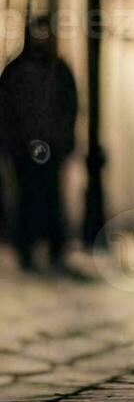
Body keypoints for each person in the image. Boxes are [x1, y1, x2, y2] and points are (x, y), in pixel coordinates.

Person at [0, 16, 78, 272]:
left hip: (49, 143)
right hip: (24, 144)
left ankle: (53, 246)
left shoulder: (58, 70)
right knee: (27, 197)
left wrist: (65, 136)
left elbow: (69, 108)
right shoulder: (18, 71)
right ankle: (28, 246)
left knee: (50, 195)